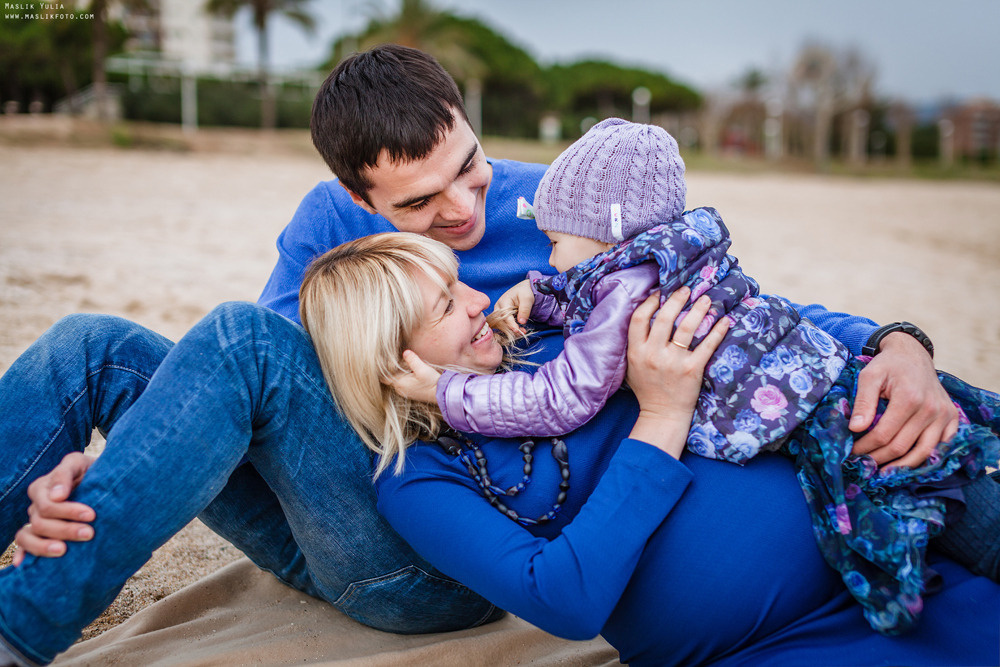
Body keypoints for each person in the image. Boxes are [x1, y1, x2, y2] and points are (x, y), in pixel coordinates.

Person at [0, 44, 973, 663]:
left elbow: (745, 308)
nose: (461, 213)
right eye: (418, 207)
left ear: (470, 126)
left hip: (454, 540)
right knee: (93, 350)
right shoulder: (333, 244)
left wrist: (899, 340)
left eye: (466, 169)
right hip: (373, 501)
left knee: (222, 346)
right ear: (357, 202)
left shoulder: (566, 209)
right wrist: (124, 458)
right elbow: (260, 389)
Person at [386, 118, 1000, 634]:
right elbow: (585, 298)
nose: (540, 259)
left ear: (609, 235)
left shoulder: (619, 279)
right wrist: (543, 301)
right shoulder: (663, 255)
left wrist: (900, 342)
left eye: (551, 242)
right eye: (445, 302)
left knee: (942, 494)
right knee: (942, 487)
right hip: (821, 422)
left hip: (845, 426)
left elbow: (567, 389)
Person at [299, 231, 1000, 666]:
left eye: (458, 282)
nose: (478, 301)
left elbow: (756, 318)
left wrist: (898, 343)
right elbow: (562, 597)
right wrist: (662, 415)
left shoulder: (549, 338)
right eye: (446, 306)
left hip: (886, 553)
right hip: (763, 646)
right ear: (391, 359)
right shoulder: (419, 479)